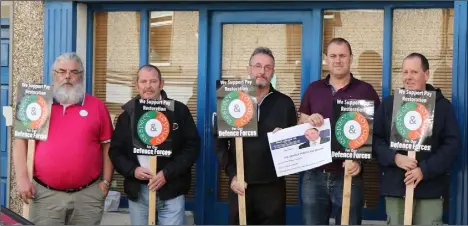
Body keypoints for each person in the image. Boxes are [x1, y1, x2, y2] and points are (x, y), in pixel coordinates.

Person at [12, 52, 115, 225]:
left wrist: (105, 182)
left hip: (87, 196)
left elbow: (108, 146)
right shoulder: (35, 102)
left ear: (81, 76)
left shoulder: (96, 106)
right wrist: (22, 179)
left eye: (74, 72)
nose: (67, 76)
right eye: (62, 71)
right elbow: (20, 142)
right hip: (45, 196)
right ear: (54, 74)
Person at [298, 38, 381, 225]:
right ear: (326, 59)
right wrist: (309, 122)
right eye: (333, 56)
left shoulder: (365, 91)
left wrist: (359, 161)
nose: (338, 60)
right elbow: (300, 123)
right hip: (314, 174)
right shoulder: (314, 89)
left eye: (342, 55)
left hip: (349, 173)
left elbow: (377, 132)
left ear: (351, 58)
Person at [373, 53, 459, 225]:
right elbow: (374, 140)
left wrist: (424, 170)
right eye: (405, 72)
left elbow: (451, 146)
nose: (408, 77)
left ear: (426, 75)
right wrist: (395, 158)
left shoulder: (442, 107)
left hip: (430, 190)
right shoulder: (389, 105)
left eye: (414, 72)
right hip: (396, 188)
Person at [214, 47, 297, 225]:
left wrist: (284, 141)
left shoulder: (285, 103)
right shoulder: (231, 99)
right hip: (241, 184)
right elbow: (220, 144)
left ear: (273, 72)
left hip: (272, 188)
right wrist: (233, 174)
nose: (262, 71)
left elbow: (294, 147)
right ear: (249, 68)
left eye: (268, 67)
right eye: (258, 66)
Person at [109, 64, 200, 225]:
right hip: (138, 190)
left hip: (171, 189)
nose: (148, 86)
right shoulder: (127, 115)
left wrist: (167, 173)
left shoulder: (179, 111)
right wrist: (132, 170)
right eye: (143, 81)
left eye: (153, 81)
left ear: (161, 83)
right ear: (136, 85)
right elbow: (115, 151)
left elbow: (192, 147)